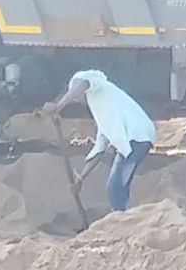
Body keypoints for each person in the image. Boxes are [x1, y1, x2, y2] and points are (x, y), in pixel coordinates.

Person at [46, 70, 156, 212]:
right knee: (119, 187)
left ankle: (122, 221)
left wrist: (58, 106)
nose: (78, 101)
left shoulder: (97, 86)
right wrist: (81, 179)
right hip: (136, 139)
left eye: (76, 97)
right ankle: (125, 217)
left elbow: (83, 82)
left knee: (115, 189)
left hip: (137, 136)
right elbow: (99, 149)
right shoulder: (101, 110)